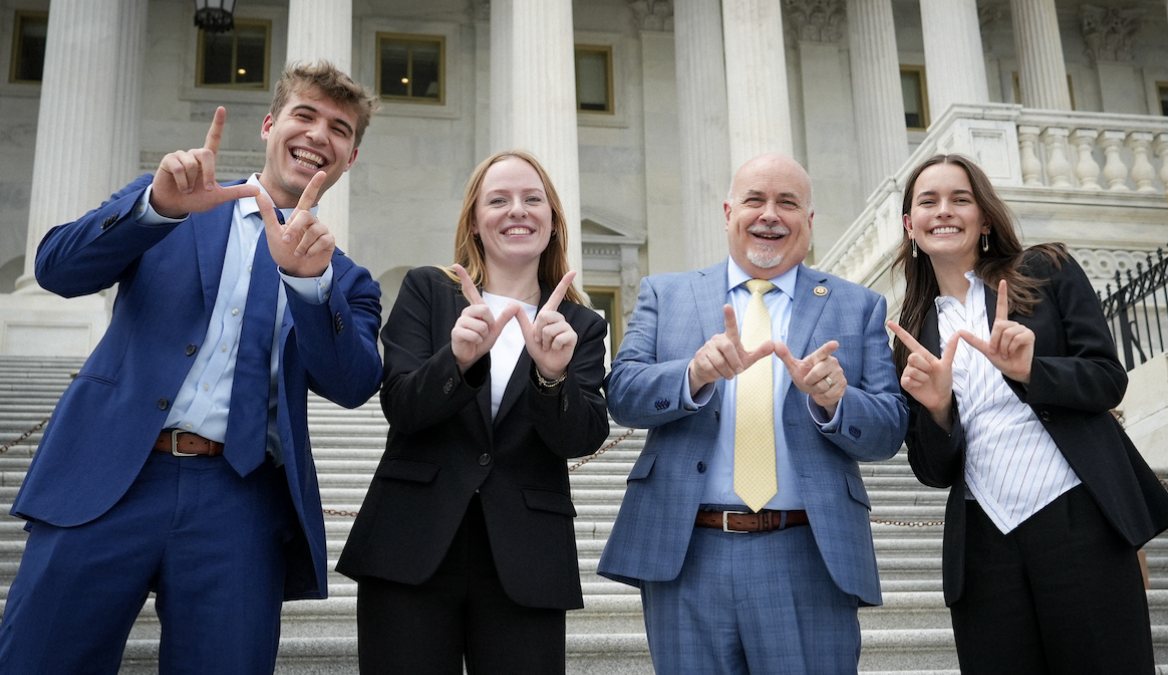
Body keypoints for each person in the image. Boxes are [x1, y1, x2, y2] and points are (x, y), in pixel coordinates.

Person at [0, 61, 384, 674]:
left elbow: (354, 384)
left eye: (339, 129)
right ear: (269, 126)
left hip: (238, 500)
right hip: (107, 476)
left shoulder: (344, 278)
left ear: (351, 157)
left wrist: (311, 286)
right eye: (305, 115)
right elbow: (56, 269)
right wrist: (155, 209)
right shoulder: (172, 202)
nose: (319, 135)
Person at [597, 152, 908, 674]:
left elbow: (889, 430)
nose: (769, 215)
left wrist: (836, 401)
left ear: (808, 220)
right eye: (754, 200)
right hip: (686, 552)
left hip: (807, 554)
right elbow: (622, 393)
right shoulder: (666, 293)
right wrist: (693, 374)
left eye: (787, 203)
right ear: (728, 213)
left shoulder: (857, 306)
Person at [887, 153, 1168, 674]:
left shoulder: (1046, 271)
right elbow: (933, 471)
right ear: (911, 225)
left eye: (960, 198)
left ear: (984, 218)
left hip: (1077, 514)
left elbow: (1107, 379)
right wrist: (937, 411)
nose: (944, 210)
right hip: (983, 544)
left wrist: (1031, 371)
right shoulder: (913, 334)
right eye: (928, 201)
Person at [336, 150, 610, 674]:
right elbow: (401, 406)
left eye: (533, 200)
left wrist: (552, 376)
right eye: (498, 200)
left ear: (553, 222)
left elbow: (581, 438)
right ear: (475, 223)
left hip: (527, 555)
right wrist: (458, 360)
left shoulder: (581, 324)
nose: (517, 210)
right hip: (411, 543)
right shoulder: (427, 290)